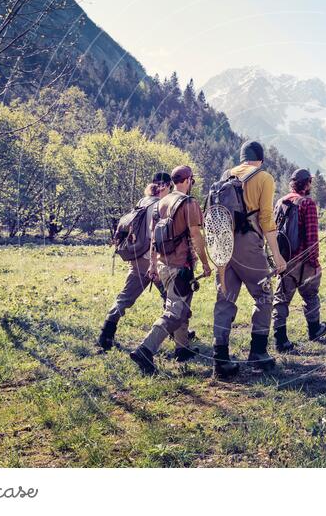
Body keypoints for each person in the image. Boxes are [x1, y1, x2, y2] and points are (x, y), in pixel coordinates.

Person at [211, 141, 287, 378]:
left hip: (222, 244)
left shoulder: (226, 175)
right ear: (261, 159)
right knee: (264, 293)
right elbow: (266, 218)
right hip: (248, 244)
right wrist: (277, 256)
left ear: (242, 158)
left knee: (225, 299)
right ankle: (258, 352)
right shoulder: (264, 177)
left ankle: (220, 357)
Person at [130, 165, 212, 374]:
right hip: (181, 267)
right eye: (192, 180)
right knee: (175, 311)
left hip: (162, 265)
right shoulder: (189, 203)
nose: (192, 184)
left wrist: (152, 265)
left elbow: (153, 239)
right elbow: (196, 236)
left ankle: (182, 349)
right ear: (187, 180)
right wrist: (204, 262)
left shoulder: (159, 204)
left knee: (181, 306)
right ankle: (145, 349)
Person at [97, 172, 172, 352]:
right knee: (172, 299)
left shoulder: (141, 202)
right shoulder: (162, 206)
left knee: (125, 297)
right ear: (167, 186)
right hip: (156, 262)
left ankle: (106, 334)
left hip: (137, 260)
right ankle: (178, 335)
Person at [271, 168, 326, 352]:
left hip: (284, 259)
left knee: (281, 300)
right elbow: (312, 238)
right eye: (310, 181)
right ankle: (314, 330)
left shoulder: (281, 202)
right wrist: (316, 263)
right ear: (306, 184)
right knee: (310, 295)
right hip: (304, 261)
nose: (311, 184)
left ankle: (280, 340)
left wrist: (277, 258)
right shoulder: (308, 204)